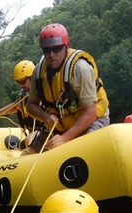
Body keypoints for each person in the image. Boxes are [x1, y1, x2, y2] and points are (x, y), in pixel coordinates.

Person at [23, 23, 110, 155]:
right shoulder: (38, 72)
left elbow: (91, 112)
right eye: (46, 50)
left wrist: (65, 138)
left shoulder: (80, 69)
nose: (51, 55)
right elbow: (30, 106)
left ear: (66, 46)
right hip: (59, 124)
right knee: (29, 154)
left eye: (57, 49)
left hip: (92, 120)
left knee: (84, 152)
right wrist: (45, 116)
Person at [0, 60, 38, 134]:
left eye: (23, 81)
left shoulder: (42, 93)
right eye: (18, 82)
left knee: (28, 142)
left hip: (44, 133)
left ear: (32, 77)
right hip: (32, 133)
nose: (21, 85)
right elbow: (16, 106)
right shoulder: (24, 94)